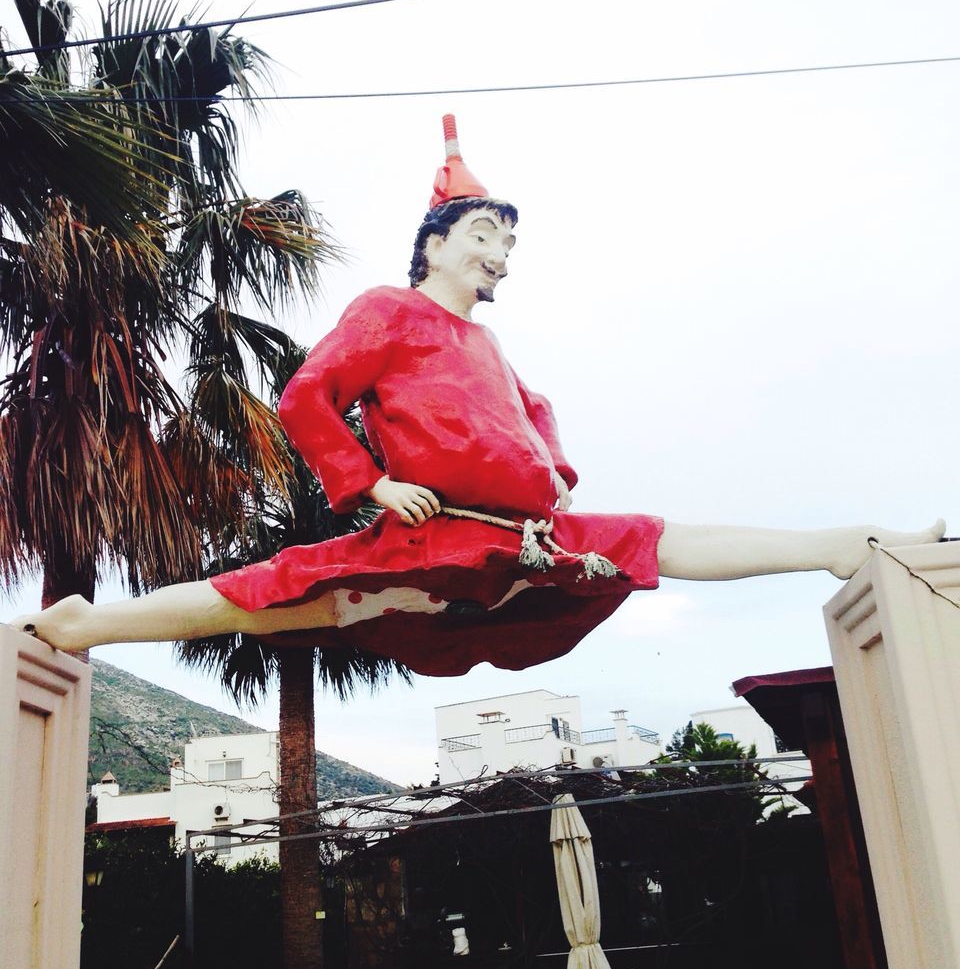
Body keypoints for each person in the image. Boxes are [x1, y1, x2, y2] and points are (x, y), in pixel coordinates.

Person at [12, 116, 944, 671]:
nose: (500, 256)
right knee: (279, 592)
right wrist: (371, 487)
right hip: (430, 522)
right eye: (487, 238)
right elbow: (306, 396)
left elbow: (533, 413)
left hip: (523, 533)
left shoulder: (487, 340)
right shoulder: (389, 309)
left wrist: (559, 470)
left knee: (652, 537)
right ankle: (91, 624)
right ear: (440, 240)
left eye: (507, 243)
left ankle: (838, 542)